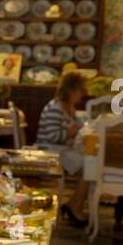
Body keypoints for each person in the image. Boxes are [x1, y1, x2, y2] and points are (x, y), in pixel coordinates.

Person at [35, 70, 90, 225]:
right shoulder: (55, 108)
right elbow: (53, 136)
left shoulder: (69, 107)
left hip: (61, 149)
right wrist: (70, 133)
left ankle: (75, 204)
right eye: (81, 90)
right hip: (50, 150)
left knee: (92, 164)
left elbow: (80, 126)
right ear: (71, 90)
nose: (83, 94)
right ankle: (74, 207)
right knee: (90, 165)